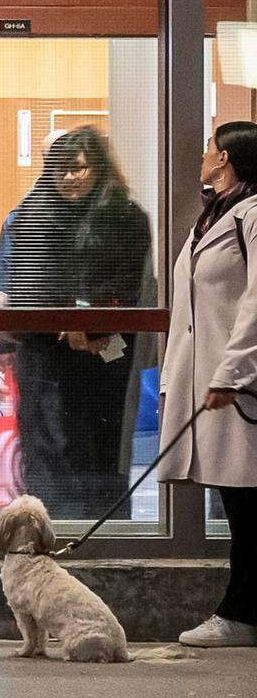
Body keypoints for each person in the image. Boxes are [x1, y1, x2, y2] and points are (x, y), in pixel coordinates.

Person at [0, 127, 152, 519]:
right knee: (44, 447)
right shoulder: (32, 214)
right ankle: (49, 529)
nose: (69, 178)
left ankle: (103, 536)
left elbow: (125, 281)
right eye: (60, 169)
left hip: (102, 354)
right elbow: (21, 277)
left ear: (99, 169)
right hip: (43, 352)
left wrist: (81, 316)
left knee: (98, 447)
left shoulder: (125, 216)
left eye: (79, 168)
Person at [160, 120, 257, 648]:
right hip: (215, 385)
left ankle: (240, 614)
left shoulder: (254, 216)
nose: (201, 155)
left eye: (207, 148)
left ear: (225, 160)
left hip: (240, 390)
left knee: (248, 505)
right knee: (240, 502)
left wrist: (231, 372)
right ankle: (243, 611)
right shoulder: (216, 215)